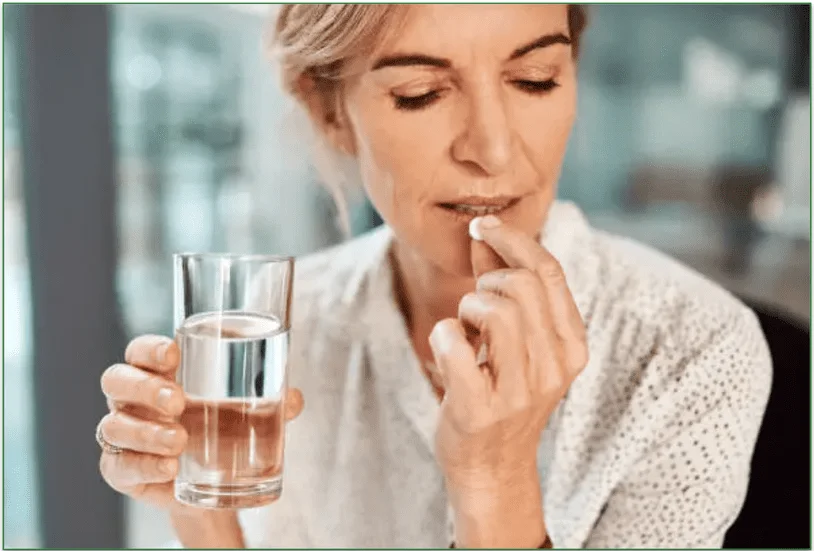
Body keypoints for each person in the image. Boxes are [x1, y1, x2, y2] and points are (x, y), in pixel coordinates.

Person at [96, 5, 772, 548]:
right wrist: (200, 518)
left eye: (535, 78)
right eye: (421, 93)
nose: (494, 148)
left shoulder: (691, 347)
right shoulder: (280, 329)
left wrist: (494, 477)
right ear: (330, 111)